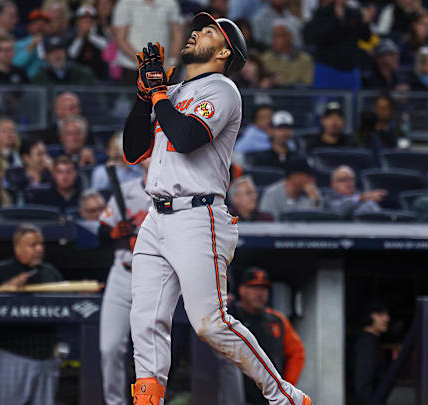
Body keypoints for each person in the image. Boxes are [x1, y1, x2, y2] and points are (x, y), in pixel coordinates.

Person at [122, 14, 311, 404]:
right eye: (199, 27)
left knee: (211, 324)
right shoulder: (172, 91)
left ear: (224, 50)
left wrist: (159, 96)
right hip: (156, 216)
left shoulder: (222, 89)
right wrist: (146, 97)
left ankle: (284, 396)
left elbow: (188, 138)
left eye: (208, 31)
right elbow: (132, 150)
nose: (196, 32)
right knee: (144, 321)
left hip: (198, 214)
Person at [0, 224, 64, 405]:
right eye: (32, 245)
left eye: (41, 244)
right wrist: (7, 288)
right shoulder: (0, 271)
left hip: (46, 356)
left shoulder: (50, 272)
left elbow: (67, 305)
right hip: (11, 355)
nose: (39, 249)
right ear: (17, 247)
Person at [98, 158, 152, 405]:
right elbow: (101, 232)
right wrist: (115, 233)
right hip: (122, 274)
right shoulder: (128, 190)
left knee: (151, 354)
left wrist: (144, 242)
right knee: (109, 348)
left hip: (155, 280)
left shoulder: (178, 193)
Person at [221, 268, 306, 405]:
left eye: (264, 289)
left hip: (269, 399)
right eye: (254, 288)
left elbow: (297, 354)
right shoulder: (230, 318)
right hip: (237, 396)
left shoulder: (277, 320)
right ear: (242, 290)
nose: (260, 293)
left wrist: (285, 388)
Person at [304, 0, 374, 89]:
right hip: (327, 66)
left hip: (350, 67)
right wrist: (336, 19)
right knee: (325, 102)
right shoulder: (322, 12)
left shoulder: (354, 13)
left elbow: (365, 38)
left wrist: (366, 23)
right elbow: (318, 38)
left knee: (352, 101)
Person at [111, 0, 183, 81]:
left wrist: (172, 61)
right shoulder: (125, 3)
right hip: (131, 69)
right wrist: (145, 62)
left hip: (162, 69)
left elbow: (177, 34)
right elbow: (120, 39)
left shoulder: (170, 3)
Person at [350, 300, 390, 405]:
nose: (386, 318)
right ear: (370, 316)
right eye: (380, 314)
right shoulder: (367, 344)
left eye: (386, 314)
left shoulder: (370, 341)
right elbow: (363, 386)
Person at [260, 21, 314, 88]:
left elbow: (307, 86)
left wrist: (285, 85)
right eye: (274, 37)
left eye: (278, 36)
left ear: (290, 37)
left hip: (297, 97)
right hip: (273, 96)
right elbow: (260, 82)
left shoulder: (305, 60)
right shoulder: (265, 59)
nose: (275, 40)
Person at [31, 35, 98, 85]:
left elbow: (96, 99)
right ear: (46, 56)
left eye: (60, 50)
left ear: (66, 53)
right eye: (52, 51)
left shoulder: (83, 73)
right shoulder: (40, 76)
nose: (57, 54)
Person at [68, 4, 111, 80]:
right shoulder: (72, 33)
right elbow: (71, 54)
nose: (87, 22)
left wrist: (89, 36)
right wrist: (80, 37)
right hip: (78, 76)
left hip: (98, 75)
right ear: (78, 21)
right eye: (83, 20)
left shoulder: (100, 31)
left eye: (90, 20)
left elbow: (106, 46)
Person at [12, 8, 50, 79]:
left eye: (44, 23)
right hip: (29, 84)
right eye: (36, 23)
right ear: (29, 26)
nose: (40, 26)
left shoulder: (54, 43)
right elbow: (16, 64)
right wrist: (31, 46)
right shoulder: (19, 44)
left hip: (50, 83)